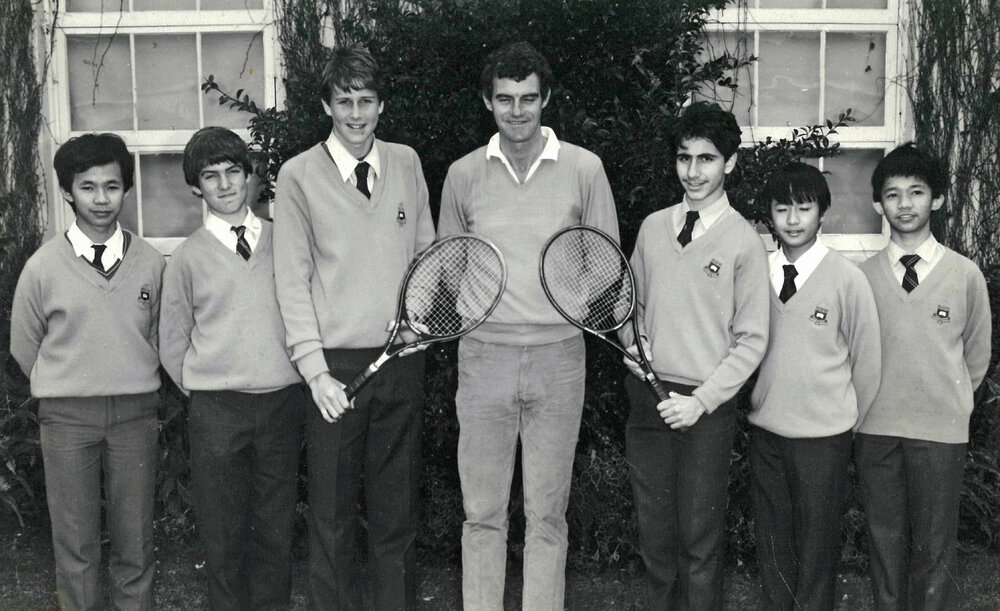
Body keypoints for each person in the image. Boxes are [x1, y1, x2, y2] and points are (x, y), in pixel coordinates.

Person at [437, 41, 619, 610]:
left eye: (528, 99)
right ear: (487, 101)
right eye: (505, 99)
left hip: (559, 359)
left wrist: (565, 303)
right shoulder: (463, 174)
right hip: (483, 359)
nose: (517, 111)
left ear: (547, 99)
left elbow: (607, 260)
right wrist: (479, 312)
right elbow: (449, 261)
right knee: (482, 515)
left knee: (547, 516)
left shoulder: (585, 168)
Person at [272, 46, 434, 610]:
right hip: (335, 372)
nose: (356, 114)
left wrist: (416, 317)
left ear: (381, 104)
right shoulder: (297, 176)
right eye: (345, 102)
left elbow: (425, 254)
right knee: (332, 517)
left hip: (401, 361)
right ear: (327, 106)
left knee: (397, 514)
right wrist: (315, 373)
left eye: (366, 100)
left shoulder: (407, 162)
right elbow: (291, 280)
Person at [619, 101, 769, 610]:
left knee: (699, 543)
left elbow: (752, 340)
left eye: (707, 159)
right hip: (648, 399)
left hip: (704, 409)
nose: (693, 171)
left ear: (730, 163)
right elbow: (630, 307)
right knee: (656, 539)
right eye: (684, 158)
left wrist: (700, 401)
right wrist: (633, 343)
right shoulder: (652, 227)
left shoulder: (744, 242)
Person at [10, 133, 165, 610]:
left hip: (134, 415)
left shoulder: (150, 262)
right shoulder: (42, 267)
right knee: (75, 541)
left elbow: (160, 334)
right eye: (88, 187)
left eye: (112, 186)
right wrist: (68, 382)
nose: (101, 199)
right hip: (67, 419)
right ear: (67, 192)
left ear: (126, 190)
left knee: (134, 538)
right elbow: (24, 345)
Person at [158, 126, 305, 610]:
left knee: (275, 532)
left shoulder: (284, 240)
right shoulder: (187, 258)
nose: (224, 185)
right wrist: (209, 387)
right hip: (217, 411)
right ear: (196, 187)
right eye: (211, 176)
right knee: (223, 535)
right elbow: (173, 343)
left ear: (250, 176)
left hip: (281, 403)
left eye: (233, 172)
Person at [856, 143, 991, 610]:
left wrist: (951, 403)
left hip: (939, 431)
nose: (905, 204)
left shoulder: (965, 275)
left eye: (916, 192)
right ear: (879, 204)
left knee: (934, 548)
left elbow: (977, 355)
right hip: (875, 430)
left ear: (937, 199)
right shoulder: (860, 278)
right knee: (884, 544)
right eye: (892, 194)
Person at [748, 162, 881, 610]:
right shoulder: (755, 274)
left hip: (824, 439)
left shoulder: (847, 279)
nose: (792, 219)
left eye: (803, 208)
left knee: (816, 549)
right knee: (773, 545)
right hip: (766, 432)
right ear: (769, 214)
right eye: (781, 208)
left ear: (823, 212)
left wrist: (843, 421)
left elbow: (867, 362)